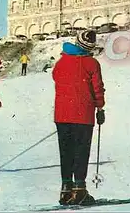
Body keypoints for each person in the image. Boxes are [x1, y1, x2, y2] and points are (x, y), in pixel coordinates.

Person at [52, 30, 106, 206]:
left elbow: (56, 78)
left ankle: (66, 190)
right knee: (81, 152)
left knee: (65, 152)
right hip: (83, 114)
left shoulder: (61, 62)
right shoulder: (92, 63)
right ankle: (80, 191)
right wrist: (100, 107)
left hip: (62, 115)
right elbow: (97, 88)